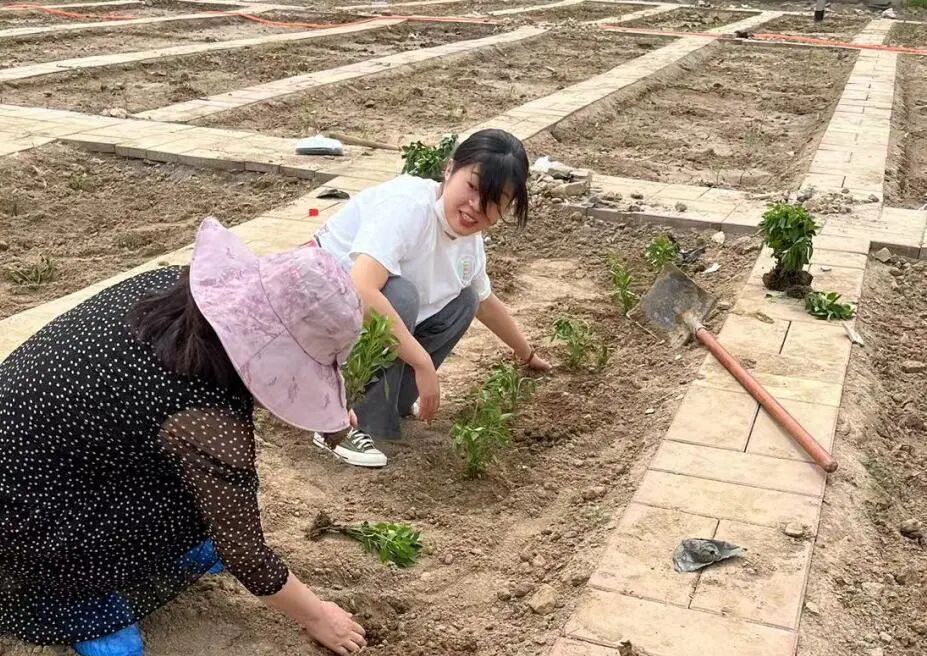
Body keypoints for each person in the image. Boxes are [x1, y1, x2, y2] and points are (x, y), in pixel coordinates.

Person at [0, 218, 368, 656]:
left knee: (194, 488)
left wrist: (324, 411)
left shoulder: (171, 292)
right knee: (212, 502)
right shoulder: (203, 419)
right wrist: (318, 616)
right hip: (25, 508)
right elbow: (246, 554)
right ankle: (75, 599)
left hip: (36, 444)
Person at [311, 128, 551, 468]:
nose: (476, 207)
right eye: (473, 187)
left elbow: (485, 304)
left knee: (465, 300)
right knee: (400, 296)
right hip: (315, 318)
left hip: (348, 327)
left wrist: (527, 354)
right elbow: (361, 288)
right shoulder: (409, 206)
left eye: (494, 200)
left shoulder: (469, 243)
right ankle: (338, 422)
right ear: (449, 169)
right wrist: (422, 363)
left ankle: (387, 408)